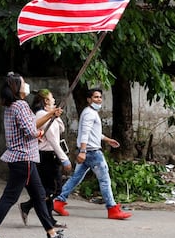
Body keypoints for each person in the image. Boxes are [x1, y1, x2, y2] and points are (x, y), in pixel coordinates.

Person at [0, 73, 74, 238]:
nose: (26, 85)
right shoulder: (21, 105)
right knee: (10, 197)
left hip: (23, 158)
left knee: (38, 197)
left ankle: (52, 235)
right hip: (24, 160)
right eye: (23, 83)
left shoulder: (12, 106)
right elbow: (31, 130)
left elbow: (29, 126)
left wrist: (51, 114)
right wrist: (38, 134)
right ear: (17, 88)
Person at [53, 88, 132, 220]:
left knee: (75, 178)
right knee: (105, 180)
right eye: (95, 97)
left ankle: (59, 201)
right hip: (92, 153)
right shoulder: (90, 113)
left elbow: (93, 133)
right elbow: (85, 133)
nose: (99, 99)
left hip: (88, 152)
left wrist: (107, 140)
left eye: (100, 97)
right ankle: (112, 208)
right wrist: (83, 151)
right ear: (89, 99)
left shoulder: (89, 112)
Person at [19, 89, 71, 228]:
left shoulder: (46, 115)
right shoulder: (41, 115)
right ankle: (28, 206)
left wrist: (55, 115)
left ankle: (48, 218)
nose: (54, 100)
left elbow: (61, 129)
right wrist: (64, 159)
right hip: (47, 156)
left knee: (49, 188)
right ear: (46, 101)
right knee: (54, 189)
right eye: (52, 98)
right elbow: (53, 139)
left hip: (47, 156)